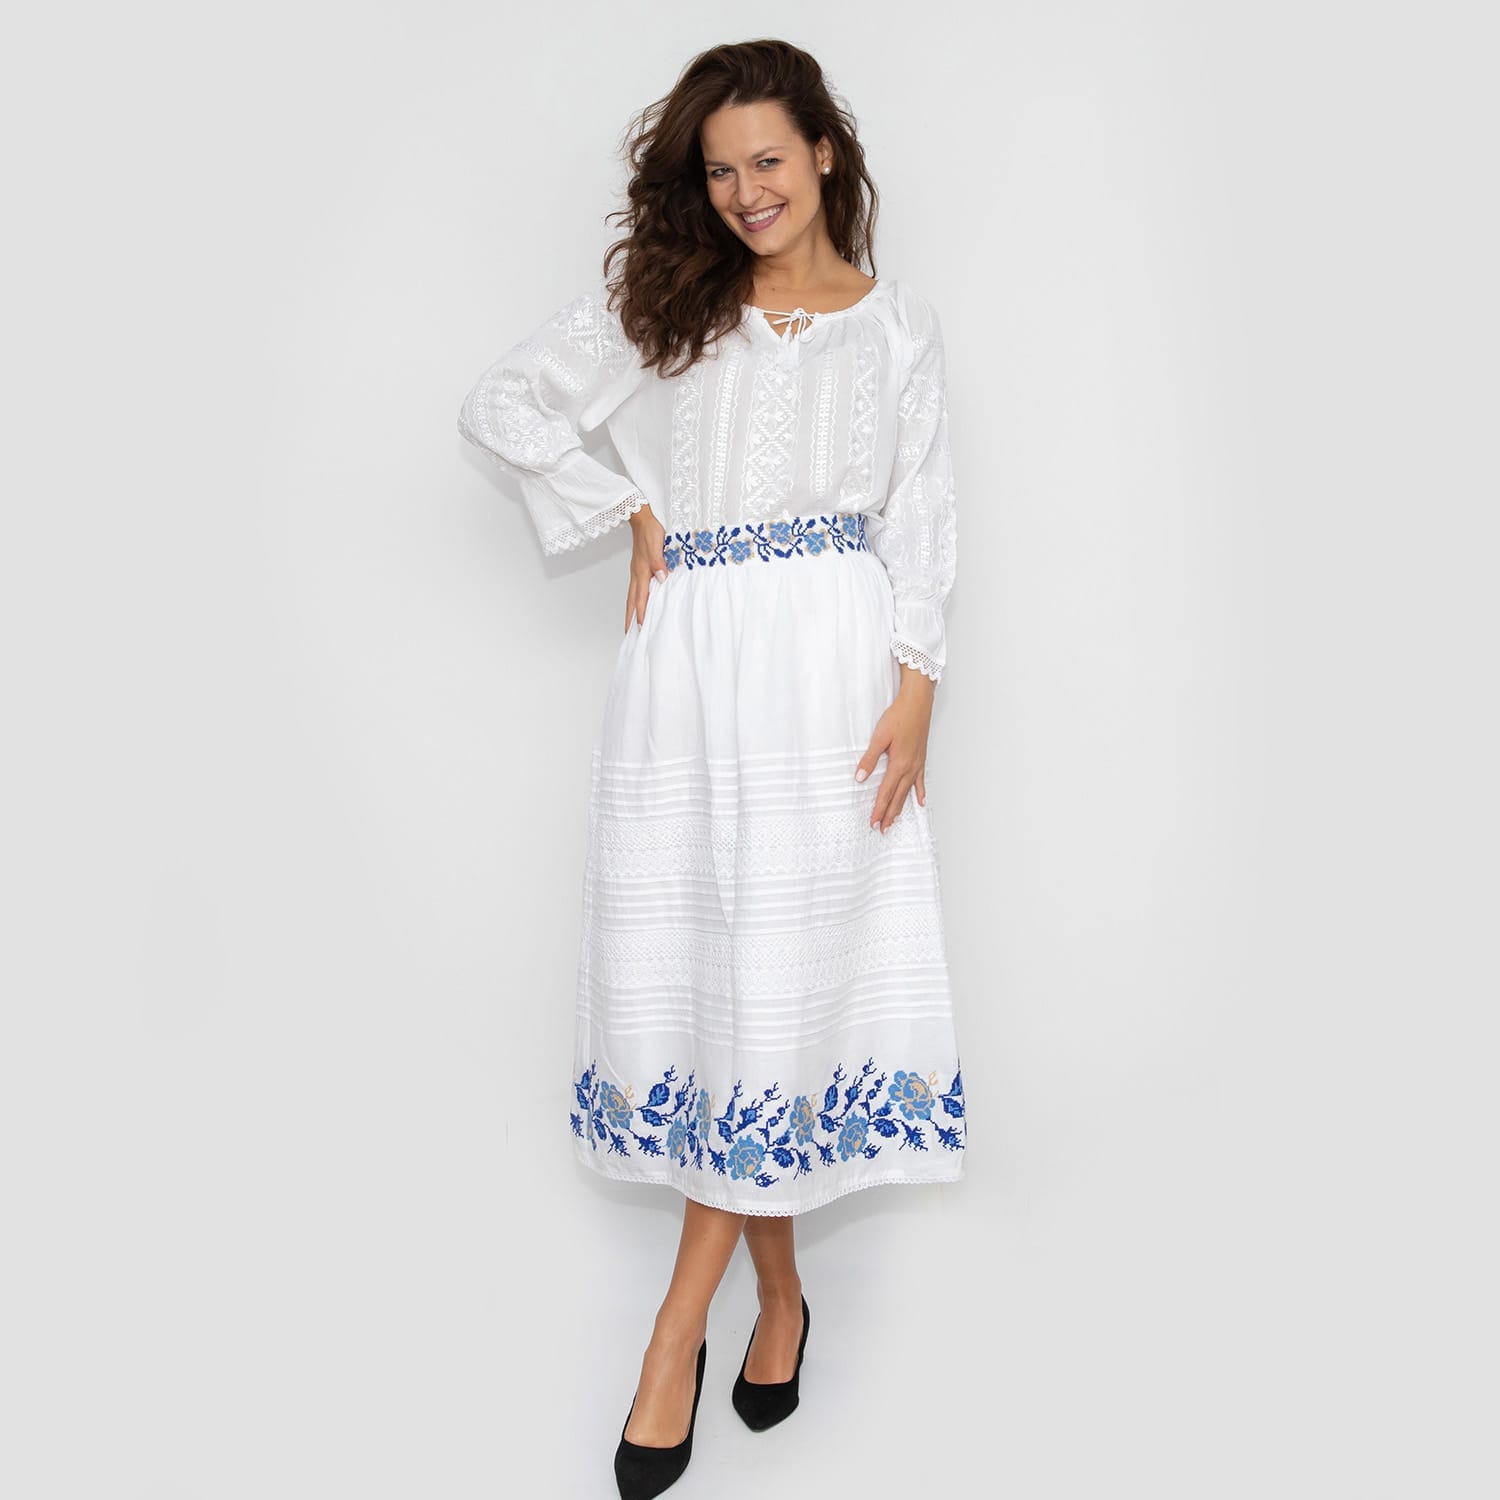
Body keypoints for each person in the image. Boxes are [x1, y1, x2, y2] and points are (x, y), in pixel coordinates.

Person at [457, 38, 964, 1500]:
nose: (747, 191)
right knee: (727, 984)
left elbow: (921, 513)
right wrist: (624, 506)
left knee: (786, 980)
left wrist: (917, 684)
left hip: (837, 676)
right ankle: (779, 1295)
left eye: (769, 159)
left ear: (824, 152)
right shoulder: (669, 306)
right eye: (722, 169)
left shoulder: (899, 328)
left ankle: (673, 1334)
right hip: (692, 674)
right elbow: (503, 403)